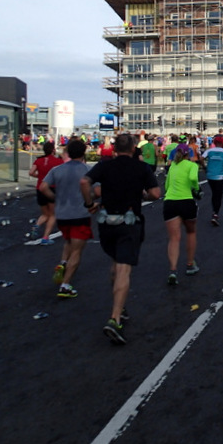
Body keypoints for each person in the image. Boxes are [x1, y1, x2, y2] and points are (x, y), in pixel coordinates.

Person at [80, 133, 160, 345]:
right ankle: (115, 318)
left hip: (106, 222)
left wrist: (89, 204)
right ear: (134, 149)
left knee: (115, 263)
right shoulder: (141, 168)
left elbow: (84, 181)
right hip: (129, 221)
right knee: (124, 268)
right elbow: (156, 193)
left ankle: (120, 304)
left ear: (114, 149)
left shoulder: (105, 166)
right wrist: (143, 195)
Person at [38, 139, 91, 298]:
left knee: (68, 241)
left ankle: (62, 263)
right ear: (83, 153)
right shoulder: (87, 170)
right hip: (80, 214)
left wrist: (54, 198)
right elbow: (97, 190)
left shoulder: (57, 170)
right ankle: (66, 285)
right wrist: (91, 201)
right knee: (77, 250)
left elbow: (43, 187)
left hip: (62, 214)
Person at [162, 143, 201, 286]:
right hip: (186, 201)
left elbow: (166, 186)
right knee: (190, 232)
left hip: (170, 202)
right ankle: (190, 264)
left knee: (174, 238)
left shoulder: (172, 166)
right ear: (188, 154)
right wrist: (196, 189)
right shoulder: (192, 166)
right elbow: (192, 179)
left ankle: (173, 270)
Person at [29, 141, 64, 244]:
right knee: (53, 214)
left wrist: (39, 176)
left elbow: (31, 172)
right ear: (53, 150)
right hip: (51, 188)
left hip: (40, 188)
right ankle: (45, 237)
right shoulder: (58, 161)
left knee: (45, 213)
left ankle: (37, 225)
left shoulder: (39, 161)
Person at [201, 136, 223, 226]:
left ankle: (214, 211)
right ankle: (215, 214)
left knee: (214, 193)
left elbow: (201, 158)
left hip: (210, 175)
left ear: (214, 143)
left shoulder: (209, 151)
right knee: (218, 195)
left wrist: (204, 167)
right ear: (222, 143)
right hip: (219, 176)